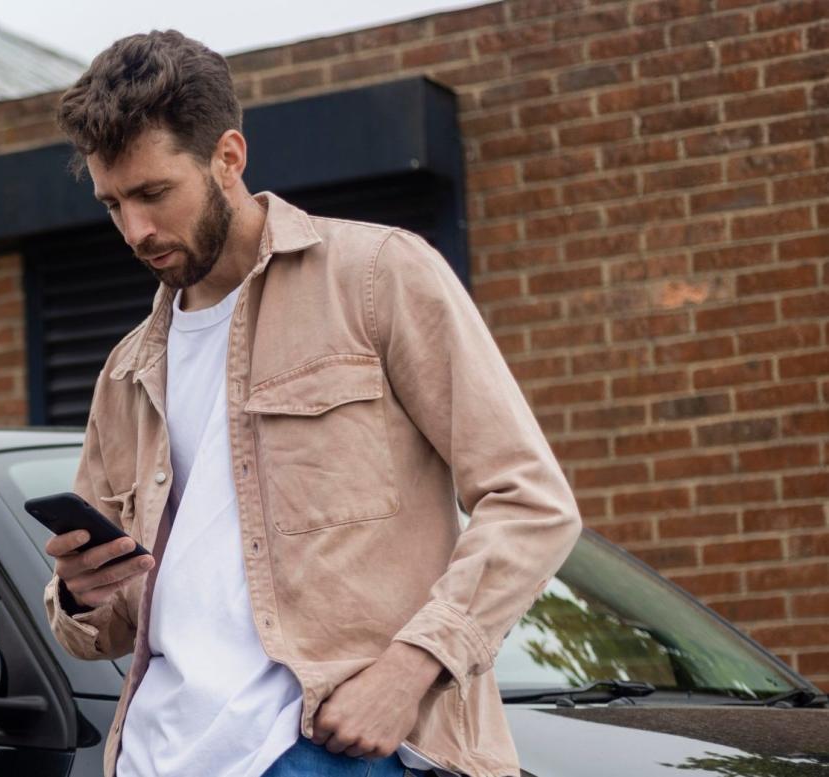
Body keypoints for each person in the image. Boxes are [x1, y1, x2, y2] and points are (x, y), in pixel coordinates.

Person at [41, 29, 581, 777]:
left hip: (325, 750)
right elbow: (102, 629)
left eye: (154, 193)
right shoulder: (128, 370)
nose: (135, 230)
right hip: (151, 757)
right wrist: (77, 592)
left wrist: (411, 669)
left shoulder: (376, 276)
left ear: (228, 156)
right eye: (112, 204)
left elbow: (532, 502)